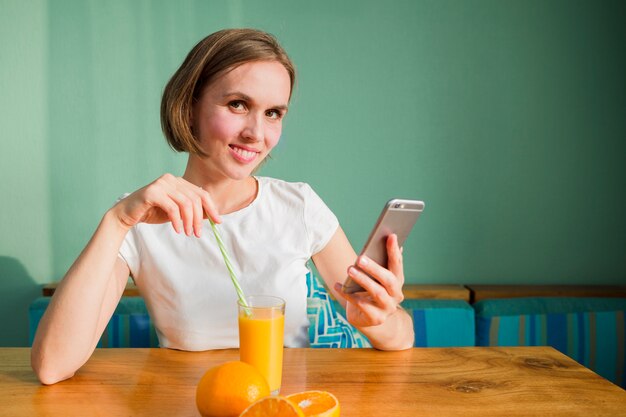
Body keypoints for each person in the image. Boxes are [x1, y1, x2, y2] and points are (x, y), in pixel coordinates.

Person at [31, 28, 414, 385]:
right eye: (237, 105)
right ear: (191, 105)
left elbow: (401, 335)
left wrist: (378, 318)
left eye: (273, 113)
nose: (256, 134)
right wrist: (116, 222)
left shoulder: (298, 206)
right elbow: (52, 365)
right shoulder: (140, 217)